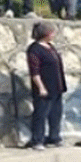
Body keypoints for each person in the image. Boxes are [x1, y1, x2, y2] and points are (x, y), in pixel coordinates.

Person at [26, 22, 66, 151]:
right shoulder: (35, 49)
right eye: (52, 32)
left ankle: (54, 137)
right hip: (45, 87)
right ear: (46, 33)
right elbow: (34, 71)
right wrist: (41, 87)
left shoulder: (50, 47)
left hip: (56, 87)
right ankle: (37, 140)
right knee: (41, 114)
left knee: (56, 113)